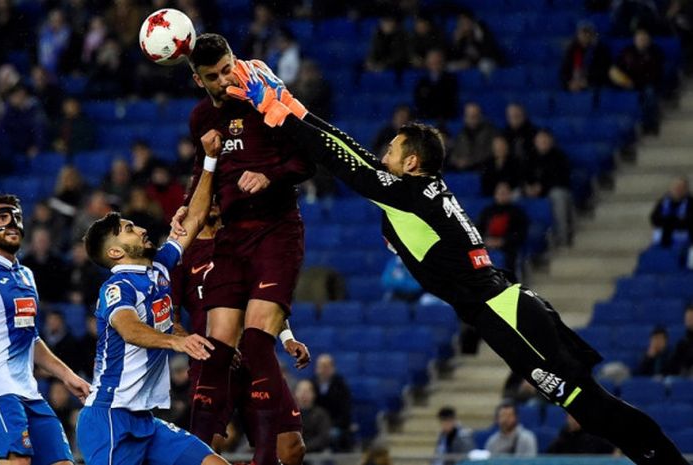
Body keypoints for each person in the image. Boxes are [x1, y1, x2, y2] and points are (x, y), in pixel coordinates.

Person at [225, 60, 691, 465]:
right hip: (512, 307)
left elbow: (344, 162)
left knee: (591, 409)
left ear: (410, 163)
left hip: (505, 314)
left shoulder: (409, 198)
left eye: (391, 149)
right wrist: (292, 105)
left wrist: (276, 111)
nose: (382, 154)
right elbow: (353, 154)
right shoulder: (418, 194)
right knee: (592, 409)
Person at [177, 33, 315, 465]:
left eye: (227, 69)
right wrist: (186, 207)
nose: (224, 80)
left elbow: (306, 159)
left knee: (256, 345)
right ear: (199, 80)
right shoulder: (201, 118)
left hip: (276, 228)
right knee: (216, 348)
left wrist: (269, 176)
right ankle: (197, 455)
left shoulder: (264, 98)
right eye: (213, 76)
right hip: (232, 236)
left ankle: (263, 462)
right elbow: (206, 169)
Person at [76, 134, 228, 465]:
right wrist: (176, 342)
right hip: (110, 418)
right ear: (115, 252)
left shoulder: (159, 266)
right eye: (129, 229)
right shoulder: (117, 288)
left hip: (145, 420)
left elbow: (194, 219)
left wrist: (210, 160)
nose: (141, 229)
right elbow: (130, 330)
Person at [169, 203, 308, 465]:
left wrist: (287, 337)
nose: (212, 201)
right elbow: (170, 319)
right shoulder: (181, 253)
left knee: (292, 448)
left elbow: (267, 297)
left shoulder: (246, 241)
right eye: (207, 195)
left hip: (256, 358)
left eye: (218, 195)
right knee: (209, 449)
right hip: (212, 362)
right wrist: (195, 345)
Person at [0, 193, 90, 465]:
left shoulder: (26, 275)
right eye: (2, 217)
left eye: (17, 218)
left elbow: (31, 338)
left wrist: (67, 375)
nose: (12, 223)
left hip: (30, 392)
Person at [524, 129, 574, 247]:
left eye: (545, 139)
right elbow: (524, 176)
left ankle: (563, 237)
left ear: (551, 141)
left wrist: (542, 187)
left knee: (558, 196)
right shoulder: (530, 157)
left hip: (554, 190)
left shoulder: (559, 157)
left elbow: (561, 179)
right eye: (540, 140)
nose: (543, 142)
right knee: (515, 195)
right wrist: (527, 188)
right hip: (534, 191)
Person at [477, 182, 528, 275]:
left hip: (508, 245)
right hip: (487, 244)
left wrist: (503, 241)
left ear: (510, 194)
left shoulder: (517, 213)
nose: (502, 196)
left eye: (505, 193)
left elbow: (520, 232)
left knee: (511, 257)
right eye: (500, 193)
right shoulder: (487, 211)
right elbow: (478, 229)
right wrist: (486, 240)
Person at [311, 353, 353, 451]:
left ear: (332, 368)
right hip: (315, 425)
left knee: (333, 437)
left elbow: (345, 412)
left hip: (335, 424)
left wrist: (331, 426)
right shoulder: (311, 384)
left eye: (326, 367)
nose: (323, 370)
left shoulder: (341, 386)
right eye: (320, 366)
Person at [560, 21, 612, 92]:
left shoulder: (600, 51)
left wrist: (588, 81)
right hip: (573, 87)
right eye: (582, 32)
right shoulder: (572, 50)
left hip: (593, 87)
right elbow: (564, 72)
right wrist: (569, 83)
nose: (585, 35)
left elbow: (604, 72)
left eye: (587, 32)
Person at [447, 103, 498, 171]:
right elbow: (454, 153)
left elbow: (491, 153)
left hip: (482, 170)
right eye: (469, 116)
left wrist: (470, 161)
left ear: (480, 115)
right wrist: (457, 161)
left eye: (475, 116)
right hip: (463, 170)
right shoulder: (461, 134)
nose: (472, 119)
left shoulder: (490, 132)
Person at [650, 176, 693, 247]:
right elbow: (654, 218)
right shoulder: (663, 201)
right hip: (663, 236)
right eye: (675, 187)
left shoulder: (690, 203)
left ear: (686, 189)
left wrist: (670, 221)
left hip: (686, 239)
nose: (677, 190)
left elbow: (689, 221)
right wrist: (672, 221)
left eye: (681, 187)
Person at [547, 413, 616, 455]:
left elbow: (613, 452)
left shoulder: (595, 437)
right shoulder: (562, 438)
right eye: (570, 417)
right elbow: (549, 457)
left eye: (575, 417)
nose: (573, 421)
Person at [293, 379, 331, 453]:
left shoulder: (321, 414)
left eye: (307, 391)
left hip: (316, 455)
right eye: (301, 391)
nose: (304, 394)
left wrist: (305, 447)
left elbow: (323, 437)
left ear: (313, 394)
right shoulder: (289, 415)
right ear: (295, 394)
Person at [668, 304, 693, 377]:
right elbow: (673, 366)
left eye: (692, 317)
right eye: (688, 318)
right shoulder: (682, 344)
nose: (689, 320)